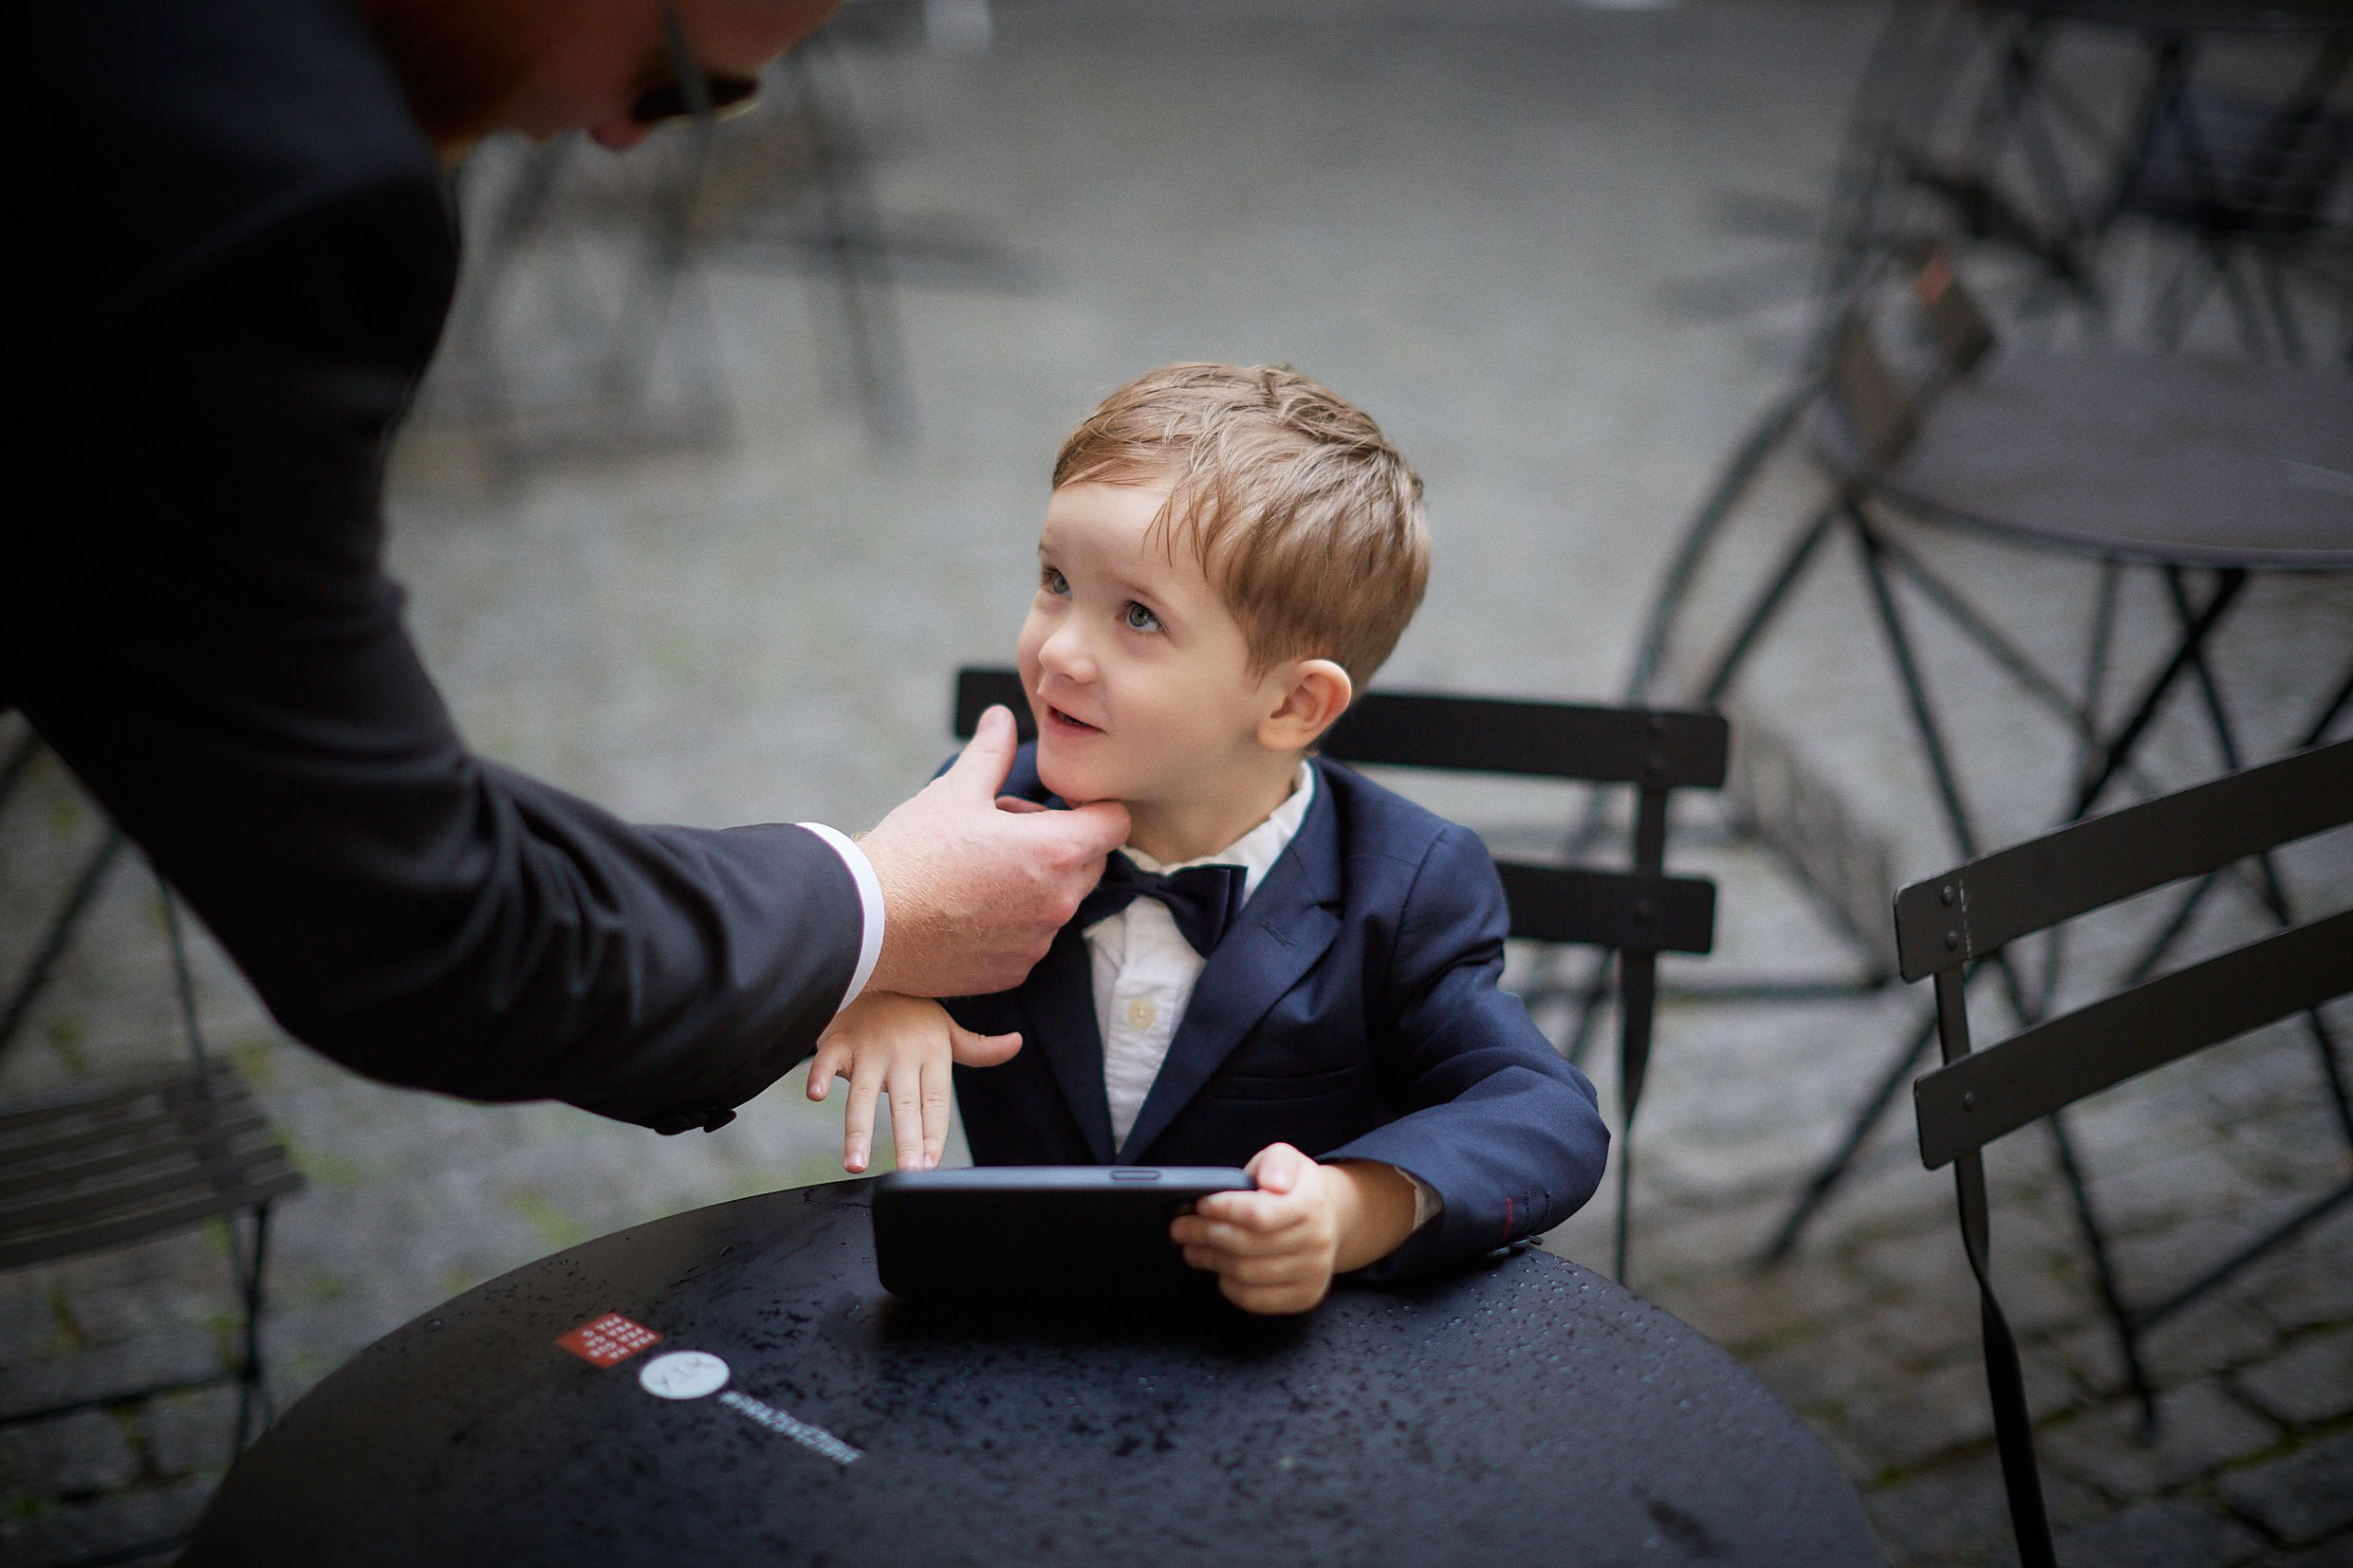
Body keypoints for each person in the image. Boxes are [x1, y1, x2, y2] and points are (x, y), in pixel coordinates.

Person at [9, 0, 1127, 1135]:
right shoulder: (272, 184)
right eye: (674, 88)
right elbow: (414, 911)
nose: (623, 142)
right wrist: (877, 913)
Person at [806, 363, 1609, 1313]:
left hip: (1280, 1373)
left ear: (1290, 702)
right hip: (1016, 1321)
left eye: (1136, 616)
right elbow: (831, 915)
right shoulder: (976, 817)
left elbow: (1542, 1115)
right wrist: (884, 975)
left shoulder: (1403, 884)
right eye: (1055, 580)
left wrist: (1350, 1209)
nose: (1058, 647)